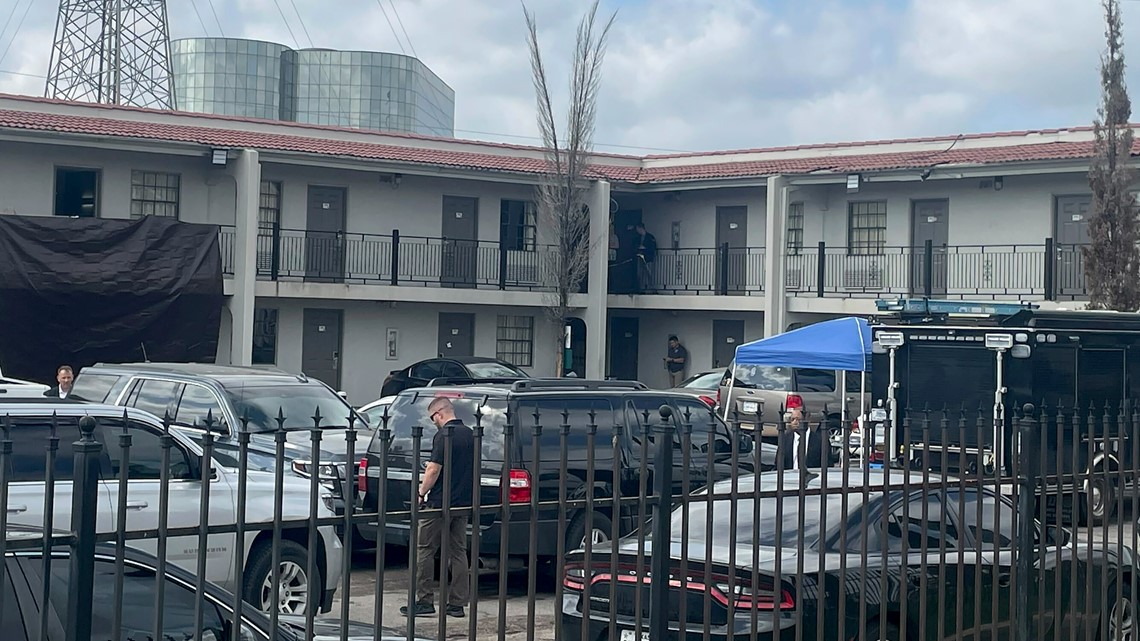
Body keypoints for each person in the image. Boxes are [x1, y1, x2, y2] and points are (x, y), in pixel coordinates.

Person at [402, 397, 475, 618]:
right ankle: (457, 603)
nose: (433, 422)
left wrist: (420, 492)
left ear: (439, 414)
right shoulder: (470, 434)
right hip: (463, 502)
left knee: (424, 548)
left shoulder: (444, 435)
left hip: (439, 502)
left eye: (432, 418)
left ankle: (424, 600)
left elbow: (434, 469)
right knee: (458, 551)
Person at [634, 223, 657, 293]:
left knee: (649, 273)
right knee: (640, 274)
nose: (637, 230)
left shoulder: (650, 237)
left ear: (640, 228)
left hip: (648, 258)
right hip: (640, 257)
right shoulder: (638, 238)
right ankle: (641, 289)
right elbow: (634, 246)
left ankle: (651, 289)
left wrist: (645, 248)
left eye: (637, 229)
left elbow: (653, 247)